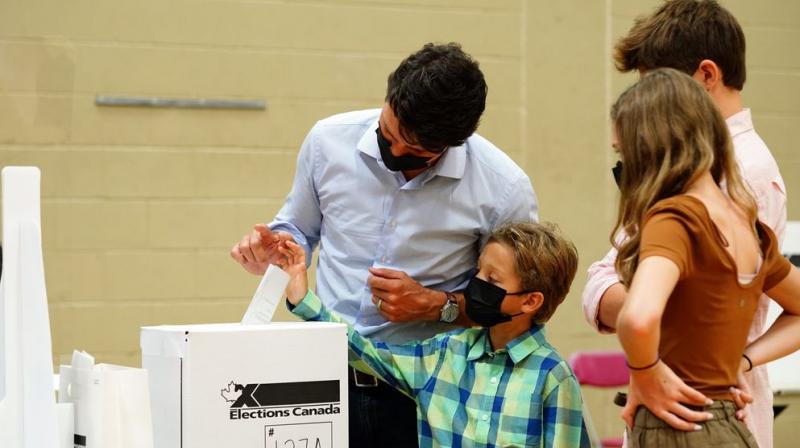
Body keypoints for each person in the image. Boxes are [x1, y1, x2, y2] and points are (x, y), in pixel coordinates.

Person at [230, 43, 538, 447]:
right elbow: (297, 227)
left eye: (415, 154)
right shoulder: (327, 142)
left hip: (429, 390)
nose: (393, 154)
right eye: (386, 135)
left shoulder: (503, 188)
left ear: (455, 143)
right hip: (325, 377)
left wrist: (436, 305)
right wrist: (274, 247)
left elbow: (519, 308)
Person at [581, 1, 787, 445]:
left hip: (682, 413)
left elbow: (635, 313)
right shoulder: (740, 217)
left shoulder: (682, 210)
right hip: (723, 416)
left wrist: (645, 367)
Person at [611, 68, 800, 447]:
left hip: (675, 423)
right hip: (729, 424)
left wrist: (645, 372)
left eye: (623, 152)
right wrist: (741, 362)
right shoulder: (747, 225)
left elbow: (638, 317)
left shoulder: (675, 218)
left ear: (650, 148)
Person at [277, 222, 587, 447]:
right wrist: (304, 300)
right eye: (478, 271)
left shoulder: (553, 378)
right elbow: (366, 354)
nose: (476, 283)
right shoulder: (444, 353)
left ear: (530, 300)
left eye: (492, 278)